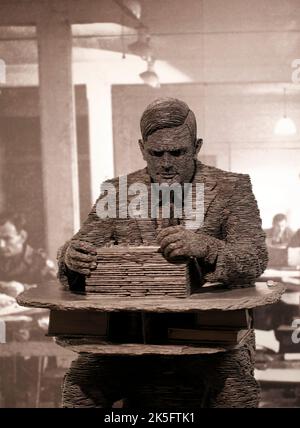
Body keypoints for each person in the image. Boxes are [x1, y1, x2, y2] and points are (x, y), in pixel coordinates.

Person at [58, 98, 268, 408]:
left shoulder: (231, 189)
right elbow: (74, 251)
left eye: (177, 152)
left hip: (213, 340)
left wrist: (205, 247)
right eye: (157, 154)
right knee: (79, 386)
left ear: (196, 147)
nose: (166, 163)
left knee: (234, 392)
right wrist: (70, 258)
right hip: (132, 338)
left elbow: (255, 259)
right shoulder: (118, 192)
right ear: (142, 148)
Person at [0, 211, 56, 299]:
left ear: (22, 237)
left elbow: (55, 290)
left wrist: (23, 288)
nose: (1, 245)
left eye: (7, 238)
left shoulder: (39, 261)